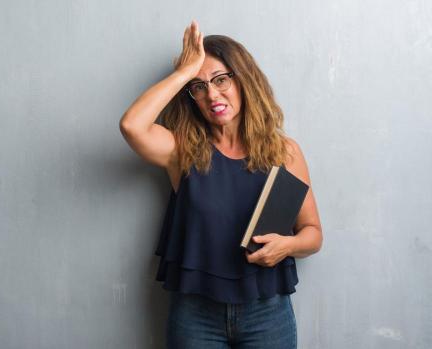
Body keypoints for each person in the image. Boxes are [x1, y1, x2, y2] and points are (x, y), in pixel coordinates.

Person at [119, 20, 323, 349]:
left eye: (221, 79)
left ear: (243, 80)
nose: (212, 94)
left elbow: (313, 233)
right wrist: (185, 72)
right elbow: (132, 126)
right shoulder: (182, 150)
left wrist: (287, 247)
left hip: (267, 313)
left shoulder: (285, 152)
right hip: (196, 315)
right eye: (199, 87)